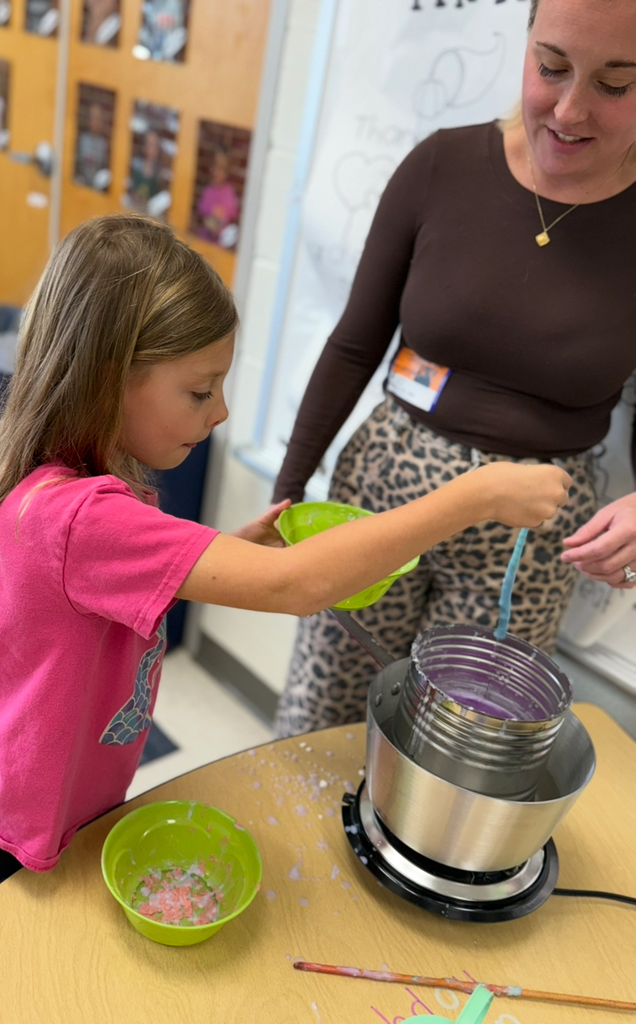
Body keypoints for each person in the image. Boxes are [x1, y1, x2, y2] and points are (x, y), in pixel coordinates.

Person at [0, 214, 568, 921]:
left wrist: (224, 549)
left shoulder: (93, 485)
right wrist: (473, 497)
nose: (222, 410)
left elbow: (107, 586)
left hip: (57, 811)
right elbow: (299, 588)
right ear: (107, 380)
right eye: (200, 392)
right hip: (5, 835)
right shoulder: (79, 515)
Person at [272, 0, 636, 738]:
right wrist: (286, 493)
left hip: (532, 526)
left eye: (616, 83)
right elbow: (354, 343)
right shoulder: (443, 163)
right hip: (383, 491)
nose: (569, 109)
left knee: (460, 749)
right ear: (525, 48)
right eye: (551, 67)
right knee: (322, 722)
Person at [195, 146, 240, 246]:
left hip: (221, 246)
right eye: (215, 166)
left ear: (227, 171)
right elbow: (200, 215)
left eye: (222, 168)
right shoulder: (207, 190)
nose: (217, 172)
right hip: (204, 242)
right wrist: (206, 221)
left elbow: (233, 217)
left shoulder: (229, 192)